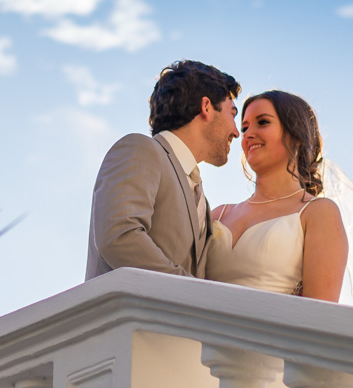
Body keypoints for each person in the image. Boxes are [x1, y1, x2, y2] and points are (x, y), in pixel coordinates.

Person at [85, 60, 241, 280]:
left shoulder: (201, 200)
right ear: (206, 107)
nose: (236, 132)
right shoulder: (140, 150)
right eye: (232, 113)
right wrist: (192, 294)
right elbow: (119, 237)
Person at [207, 90, 349, 301]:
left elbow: (320, 315)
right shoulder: (219, 214)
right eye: (245, 127)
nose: (248, 134)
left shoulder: (318, 213)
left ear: (296, 135)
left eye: (263, 122)